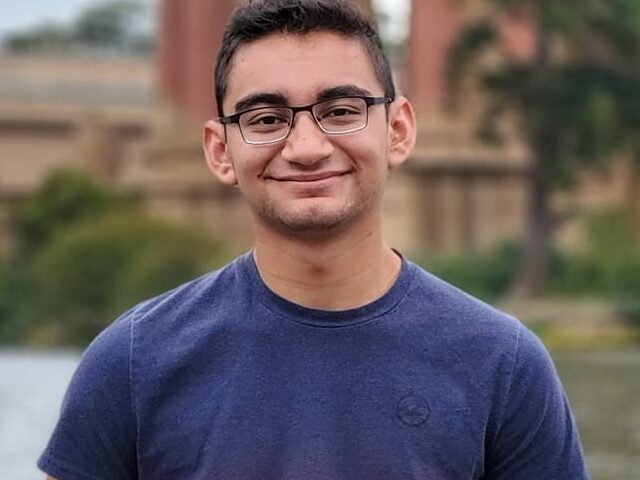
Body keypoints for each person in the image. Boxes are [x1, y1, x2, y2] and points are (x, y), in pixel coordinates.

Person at [39, 1, 590, 479]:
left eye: (341, 111)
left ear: (398, 130)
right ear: (219, 150)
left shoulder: (504, 364)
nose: (306, 147)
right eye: (266, 118)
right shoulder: (133, 361)